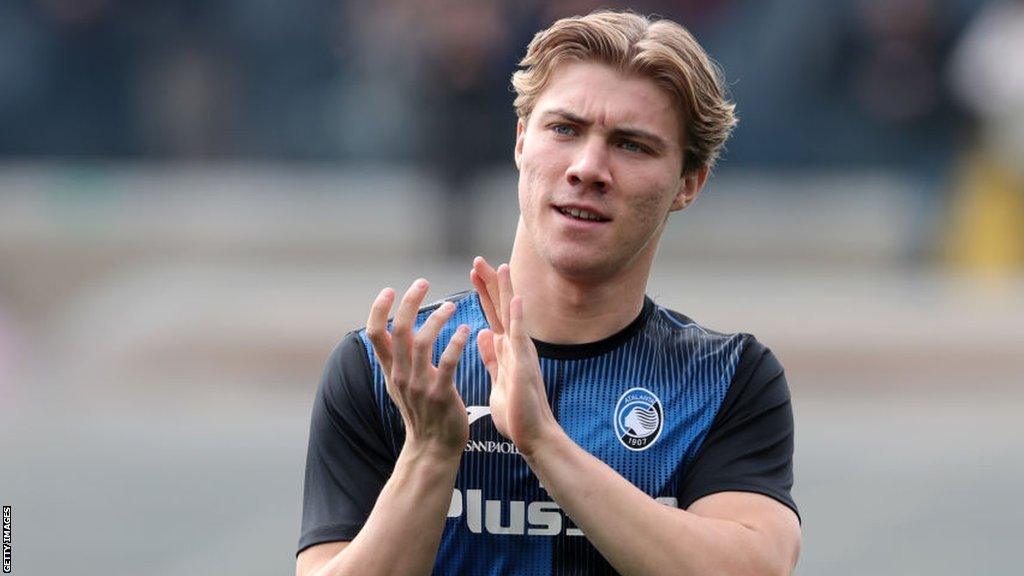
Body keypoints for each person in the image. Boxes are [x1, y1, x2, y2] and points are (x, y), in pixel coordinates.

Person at [297, 9, 801, 576]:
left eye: (632, 145)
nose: (588, 168)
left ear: (689, 183)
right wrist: (431, 452)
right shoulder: (390, 367)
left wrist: (545, 444)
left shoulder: (726, 378)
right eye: (564, 129)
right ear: (520, 141)